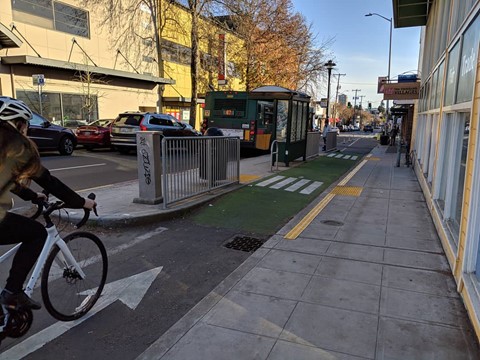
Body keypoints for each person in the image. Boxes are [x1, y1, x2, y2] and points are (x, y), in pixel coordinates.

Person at [0, 96, 96, 310]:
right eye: (25, 124)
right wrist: (81, 203)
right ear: (17, 122)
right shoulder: (16, 147)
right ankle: (12, 292)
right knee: (37, 233)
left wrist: (33, 197)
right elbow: (48, 181)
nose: (26, 129)